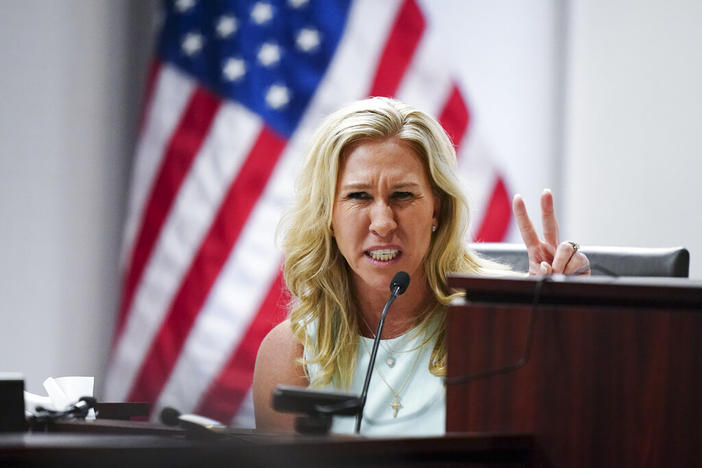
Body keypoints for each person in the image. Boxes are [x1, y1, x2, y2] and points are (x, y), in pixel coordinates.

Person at [253, 97, 590, 436]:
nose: (383, 223)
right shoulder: (290, 353)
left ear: (436, 209)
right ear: (327, 214)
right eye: (359, 196)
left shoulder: (502, 323)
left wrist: (568, 329)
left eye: (402, 195)